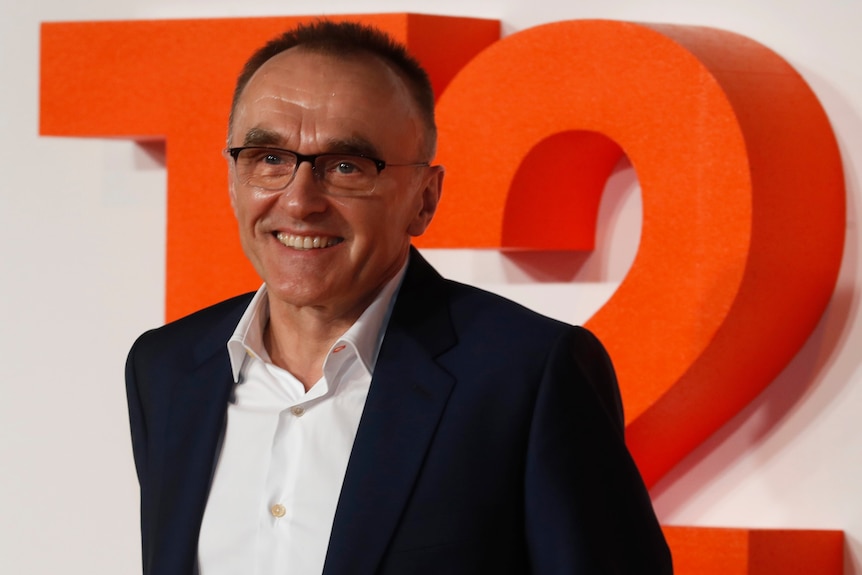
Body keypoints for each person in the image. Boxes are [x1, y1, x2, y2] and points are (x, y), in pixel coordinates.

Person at [125, 19, 673, 575]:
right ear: (232, 178)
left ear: (424, 199)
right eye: (268, 158)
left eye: (345, 166)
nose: (299, 201)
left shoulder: (527, 377)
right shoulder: (167, 369)